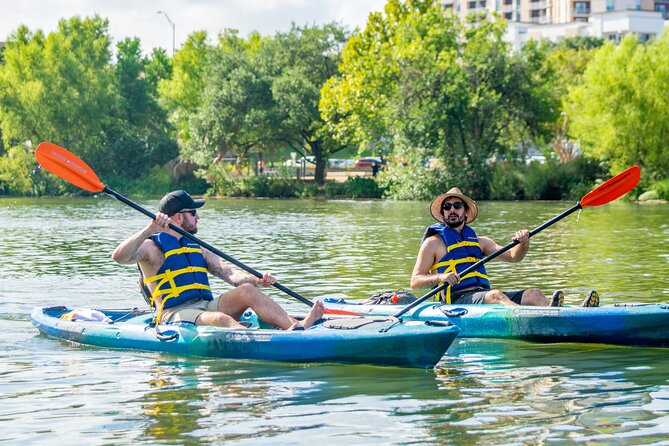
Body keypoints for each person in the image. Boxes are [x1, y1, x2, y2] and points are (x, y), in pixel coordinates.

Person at [111, 190, 325, 329]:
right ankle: (261, 342)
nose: (198, 217)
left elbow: (230, 274)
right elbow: (119, 257)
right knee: (222, 320)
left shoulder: (197, 247)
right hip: (174, 314)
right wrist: (150, 228)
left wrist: (258, 280)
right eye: (193, 213)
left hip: (206, 306)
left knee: (247, 291)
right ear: (178, 217)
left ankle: (297, 326)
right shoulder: (151, 247)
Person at [410, 187, 599, 307]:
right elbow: (415, 280)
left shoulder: (480, 242)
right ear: (442, 214)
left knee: (534, 293)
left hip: (481, 295)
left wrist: (524, 242)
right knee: (496, 296)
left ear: (465, 212)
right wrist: (441, 276)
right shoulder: (433, 243)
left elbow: (514, 257)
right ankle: (527, 321)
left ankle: (566, 313)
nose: (452, 210)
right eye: (447, 206)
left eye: (457, 205)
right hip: (457, 301)